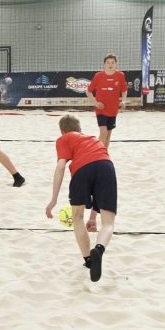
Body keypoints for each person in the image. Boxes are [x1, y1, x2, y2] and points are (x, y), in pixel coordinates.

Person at [44, 115, 117, 282]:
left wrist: (53, 200)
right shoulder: (93, 140)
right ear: (80, 129)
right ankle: (98, 249)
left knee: (77, 217)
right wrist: (93, 218)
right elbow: (97, 171)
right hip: (106, 166)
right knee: (108, 223)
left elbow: (61, 166)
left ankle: (88, 260)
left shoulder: (63, 139)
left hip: (81, 170)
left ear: (63, 131)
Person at [85, 53, 126, 149]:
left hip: (113, 110)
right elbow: (88, 91)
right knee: (103, 133)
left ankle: (104, 154)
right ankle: (97, 153)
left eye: (112, 62)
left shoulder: (120, 75)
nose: (110, 65)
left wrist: (123, 101)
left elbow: (124, 90)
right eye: (108, 62)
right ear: (104, 65)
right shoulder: (98, 76)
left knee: (108, 134)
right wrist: (95, 103)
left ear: (116, 64)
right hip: (101, 110)